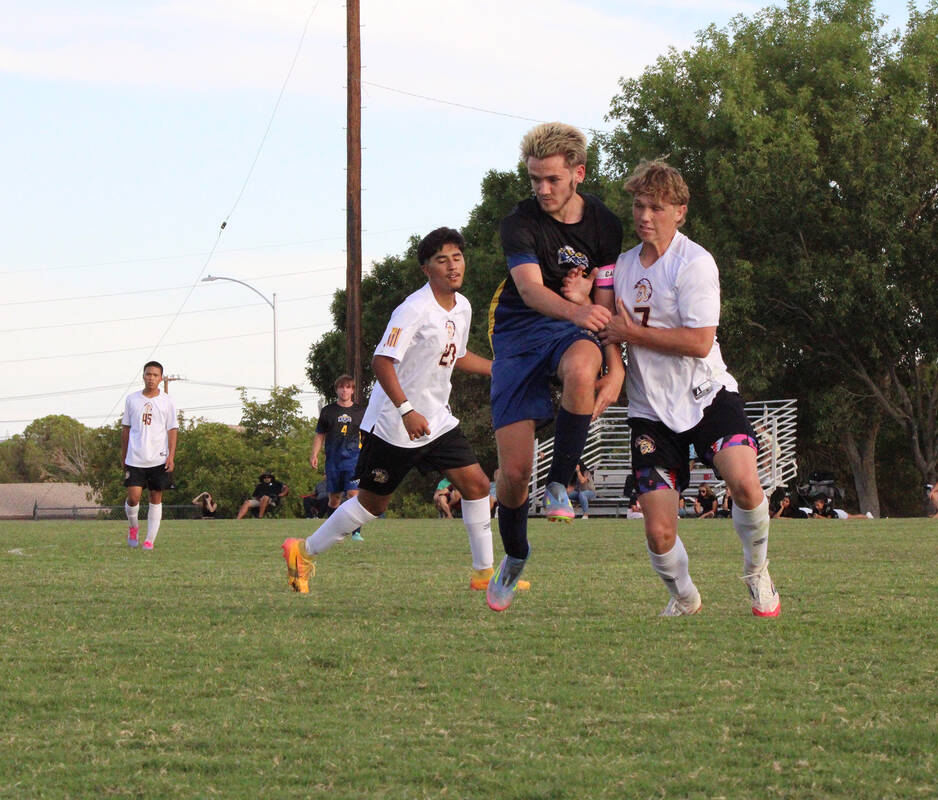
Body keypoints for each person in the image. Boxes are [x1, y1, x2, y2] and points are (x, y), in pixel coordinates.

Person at [282, 227, 528, 596]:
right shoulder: (413, 309)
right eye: (441, 260)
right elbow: (382, 361)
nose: (452, 266)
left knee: (477, 485)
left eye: (457, 257)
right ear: (426, 269)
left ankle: (483, 574)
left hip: (437, 419)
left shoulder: (462, 306)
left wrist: (499, 368)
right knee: (371, 505)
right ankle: (302, 552)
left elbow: (456, 355)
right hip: (395, 424)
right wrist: (407, 410)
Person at [591, 159, 780, 617]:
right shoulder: (620, 267)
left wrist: (629, 334)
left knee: (746, 485)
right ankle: (684, 596)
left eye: (655, 207)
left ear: (680, 211)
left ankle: (757, 573)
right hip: (650, 410)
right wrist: (613, 368)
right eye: (638, 205)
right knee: (658, 533)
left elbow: (699, 342)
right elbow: (604, 326)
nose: (644, 216)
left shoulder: (694, 262)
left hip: (707, 396)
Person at [487, 122, 624, 610]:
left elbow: (604, 300)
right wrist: (578, 309)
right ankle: (516, 556)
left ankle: (561, 484)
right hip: (519, 336)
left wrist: (616, 362)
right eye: (534, 180)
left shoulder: (606, 225)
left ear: (578, 174)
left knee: (584, 370)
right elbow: (528, 290)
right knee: (513, 475)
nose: (542, 190)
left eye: (552, 180)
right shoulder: (519, 222)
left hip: (570, 330)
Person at [121, 360, 177, 550]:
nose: (151, 378)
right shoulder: (132, 399)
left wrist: (171, 456)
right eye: (148, 374)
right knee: (134, 498)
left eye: (155, 375)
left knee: (155, 497)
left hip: (158, 458)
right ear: (143, 376)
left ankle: (149, 540)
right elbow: (126, 429)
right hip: (135, 458)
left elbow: (172, 429)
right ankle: (133, 527)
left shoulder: (167, 401)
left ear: (161, 378)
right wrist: (123, 456)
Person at [310, 375, 365, 538]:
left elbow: (367, 436)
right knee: (334, 499)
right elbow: (320, 435)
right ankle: (333, 532)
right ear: (337, 390)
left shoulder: (360, 411)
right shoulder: (328, 411)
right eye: (341, 387)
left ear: (352, 390)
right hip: (333, 461)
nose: (344, 390)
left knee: (353, 495)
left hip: (353, 460)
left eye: (348, 387)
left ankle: (356, 532)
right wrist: (314, 454)